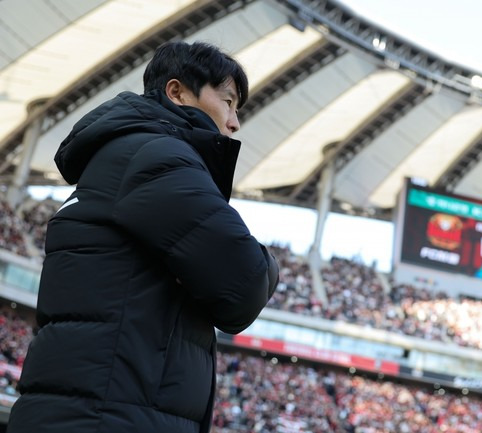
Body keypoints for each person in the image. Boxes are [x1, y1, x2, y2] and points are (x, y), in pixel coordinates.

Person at [7, 40, 279, 433]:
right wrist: (266, 261)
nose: (235, 122)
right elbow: (246, 284)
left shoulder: (124, 156)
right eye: (228, 101)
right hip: (110, 417)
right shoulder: (156, 156)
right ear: (177, 92)